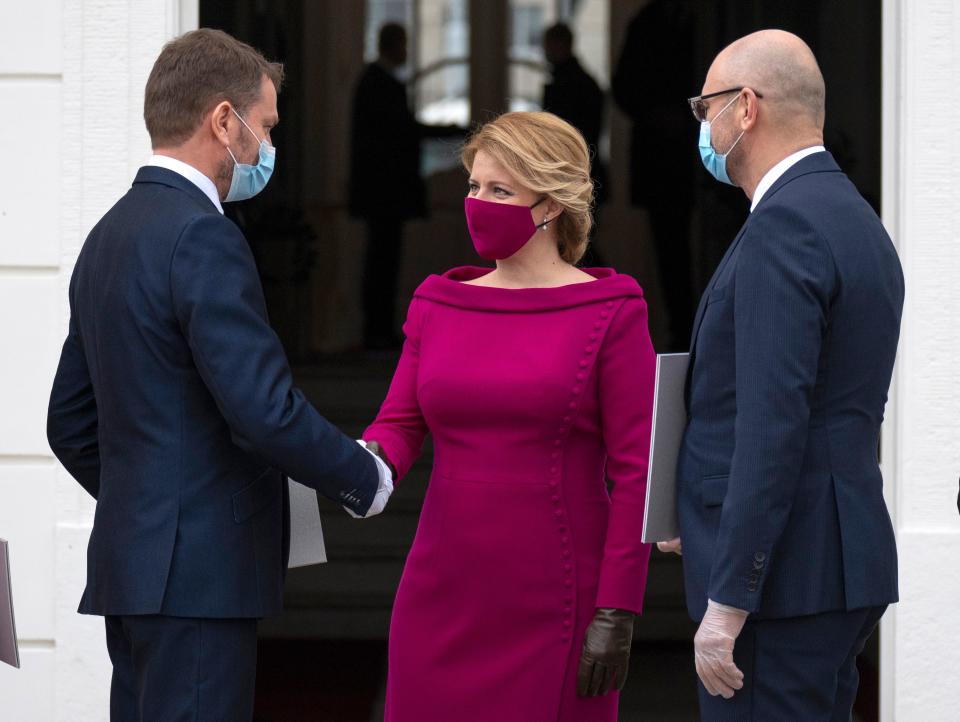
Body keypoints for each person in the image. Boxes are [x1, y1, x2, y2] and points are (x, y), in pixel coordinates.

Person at [46, 29, 392, 722]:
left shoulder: (107, 234)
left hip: (134, 568)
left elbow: (69, 423)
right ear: (223, 121)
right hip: (201, 577)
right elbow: (262, 410)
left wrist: (149, 503)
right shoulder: (204, 234)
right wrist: (362, 477)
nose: (267, 149)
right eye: (264, 127)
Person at [357, 111, 656, 722]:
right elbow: (398, 426)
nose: (477, 203)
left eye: (500, 190)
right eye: (473, 186)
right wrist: (349, 462)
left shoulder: (613, 310)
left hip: (559, 598)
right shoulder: (437, 301)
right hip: (440, 589)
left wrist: (618, 608)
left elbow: (637, 474)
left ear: (551, 203)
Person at [659, 30, 904, 720]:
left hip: (783, 582)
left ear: (745, 108)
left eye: (704, 107)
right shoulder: (853, 218)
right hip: (834, 559)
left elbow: (773, 427)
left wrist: (730, 599)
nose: (701, 127)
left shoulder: (784, 227)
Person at [349, 22, 462, 349]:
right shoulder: (381, 85)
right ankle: (377, 330)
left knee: (381, 259)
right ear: (394, 46)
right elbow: (403, 132)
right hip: (386, 192)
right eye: (404, 44)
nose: (407, 51)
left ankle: (377, 328)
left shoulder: (372, 83)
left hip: (381, 192)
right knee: (383, 261)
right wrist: (454, 130)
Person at [612, 0, 697, 350]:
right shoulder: (645, 23)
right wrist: (658, 116)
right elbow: (624, 88)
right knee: (669, 250)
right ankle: (681, 329)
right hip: (662, 161)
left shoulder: (705, 21)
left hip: (701, 155)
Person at [542, 22, 608, 209]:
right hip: (581, 170)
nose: (545, 51)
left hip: (571, 171)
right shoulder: (582, 81)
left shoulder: (568, 85)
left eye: (548, 45)